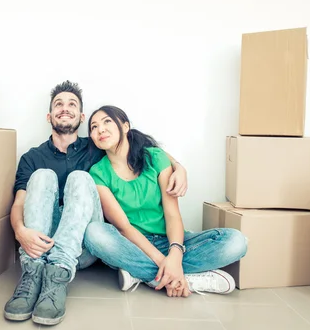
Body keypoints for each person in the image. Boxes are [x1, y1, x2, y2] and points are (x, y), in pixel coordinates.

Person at [3, 81, 188, 325]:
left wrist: (179, 167)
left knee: (80, 177)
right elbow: (18, 205)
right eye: (58, 104)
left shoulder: (97, 145)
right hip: (38, 245)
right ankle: (32, 272)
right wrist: (20, 231)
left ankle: (59, 272)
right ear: (49, 115)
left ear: (80, 116)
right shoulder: (32, 157)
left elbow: (140, 147)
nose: (64, 108)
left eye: (72, 104)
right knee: (42, 175)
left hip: (82, 247)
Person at [83, 105, 248, 297]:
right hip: (132, 245)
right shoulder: (98, 173)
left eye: (107, 122)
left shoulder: (155, 158)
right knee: (95, 233)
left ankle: (143, 275)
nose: (100, 129)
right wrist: (164, 262)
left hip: (169, 240)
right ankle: (180, 279)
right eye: (93, 127)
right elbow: (124, 228)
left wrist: (175, 256)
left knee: (237, 241)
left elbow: (172, 214)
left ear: (125, 126)